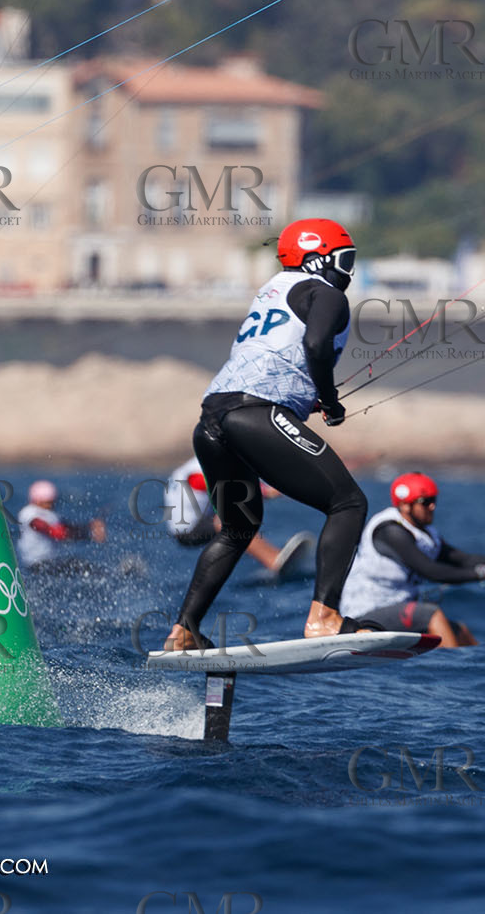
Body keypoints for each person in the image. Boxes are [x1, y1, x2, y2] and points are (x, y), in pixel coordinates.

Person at [163, 218, 370, 652]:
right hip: (254, 414)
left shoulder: (273, 289)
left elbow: (276, 357)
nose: (348, 271)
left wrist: (303, 398)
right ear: (319, 258)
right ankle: (325, 619)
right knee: (348, 503)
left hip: (212, 420)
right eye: (344, 259)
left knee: (238, 527)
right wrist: (330, 400)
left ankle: (184, 631)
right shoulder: (326, 293)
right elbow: (316, 346)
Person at [340, 472, 485, 647]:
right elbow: (429, 570)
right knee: (432, 614)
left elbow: (460, 558)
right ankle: (455, 669)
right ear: (405, 505)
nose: (433, 506)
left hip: (398, 609)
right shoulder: (390, 531)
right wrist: (483, 573)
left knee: (460, 631)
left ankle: (480, 669)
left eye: (434, 500)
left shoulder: (425, 532)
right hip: (365, 614)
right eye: (426, 502)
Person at [164, 456, 314, 574]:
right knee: (229, 519)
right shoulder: (197, 470)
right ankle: (273, 560)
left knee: (235, 514)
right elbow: (213, 485)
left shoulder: (195, 464)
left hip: (196, 524)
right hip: (187, 532)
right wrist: (264, 491)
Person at [15, 480, 106, 569]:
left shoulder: (52, 515)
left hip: (51, 561)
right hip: (36, 564)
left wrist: (90, 527)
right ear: (38, 500)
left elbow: (68, 528)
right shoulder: (29, 512)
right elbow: (54, 532)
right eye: (47, 502)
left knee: (88, 566)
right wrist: (88, 535)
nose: (51, 505)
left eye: (52, 502)